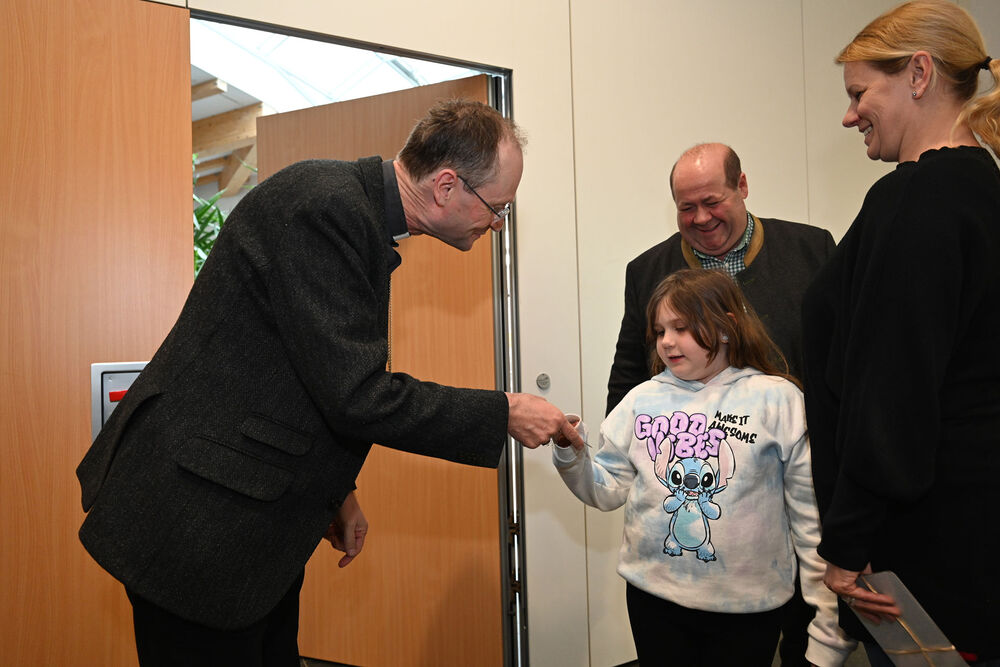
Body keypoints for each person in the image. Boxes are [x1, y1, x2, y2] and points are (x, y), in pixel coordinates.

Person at [76, 99, 584, 666]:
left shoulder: (351, 211)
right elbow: (356, 395)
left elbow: (294, 374)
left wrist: (336, 492)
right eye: (497, 207)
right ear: (446, 186)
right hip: (200, 521)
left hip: (247, 519)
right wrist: (504, 412)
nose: (496, 224)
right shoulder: (325, 210)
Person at [801, 1, 1000, 665]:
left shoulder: (917, 198)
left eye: (859, 93)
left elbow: (893, 393)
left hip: (924, 558)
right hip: (972, 545)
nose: (849, 115)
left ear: (919, 74)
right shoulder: (981, 187)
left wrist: (848, 543)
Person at [606, 142, 834, 664]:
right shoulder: (647, 269)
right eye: (687, 207)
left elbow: (840, 360)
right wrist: (628, 453)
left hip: (791, 477)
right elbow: (629, 371)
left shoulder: (812, 251)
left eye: (713, 202)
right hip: (702, 492)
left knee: (796, 626)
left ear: (742, 187)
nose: (701, 218)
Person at [556, 269, 854, 666]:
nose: (667, 341)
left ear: (726, 326)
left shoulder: (778, 400)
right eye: (660, 331)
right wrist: (571, 453)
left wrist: (828, 631)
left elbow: (810, 523)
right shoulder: (640, 401)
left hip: (748, 607)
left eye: (681, 328)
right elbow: (606, 489)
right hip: (653, 600)